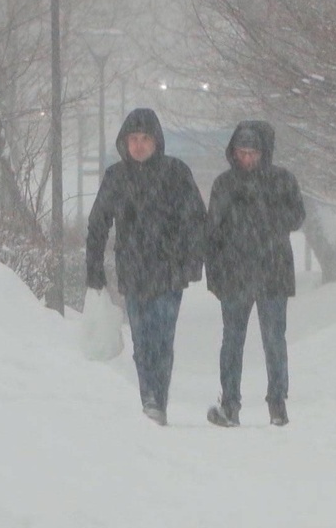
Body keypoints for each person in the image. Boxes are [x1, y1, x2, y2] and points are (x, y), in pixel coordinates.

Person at [86, 108, 206, 426]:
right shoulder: (116, 178)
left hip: (169, 270)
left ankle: (157, 401)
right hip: (133, 269)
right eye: (133, 139)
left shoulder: (176, 173)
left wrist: (192, 261)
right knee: (142, 340)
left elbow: (196, 220)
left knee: (162, 338)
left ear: (157, 142)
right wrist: (93, 268)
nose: (138, 146)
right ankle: (148, 399)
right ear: (124, 143)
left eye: (145, 139)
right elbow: (98, 223)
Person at [204, 121, 305, 427]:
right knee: (233, 340)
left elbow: (297, 216)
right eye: (242, 152)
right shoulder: (224, 185)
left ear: (264, 153)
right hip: (236, 274)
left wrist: (267, 216)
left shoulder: (282, 180)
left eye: (252, 153)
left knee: (273, 339)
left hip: (272, 272)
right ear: (233, 153)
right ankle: (230, 403)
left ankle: (277, 402)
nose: (247, 159)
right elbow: (213, 232)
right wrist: (215, 274)